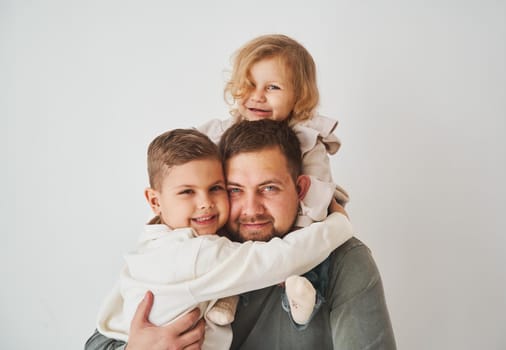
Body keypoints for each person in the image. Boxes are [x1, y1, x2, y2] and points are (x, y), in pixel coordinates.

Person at [85, 119, 396, 350]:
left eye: (269, 188)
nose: (251, 209)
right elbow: (99, 340)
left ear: (300, 189)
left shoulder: (342, 259)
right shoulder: (191, 247)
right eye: (234, 190)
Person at [198, 34, 349, 327]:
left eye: (273, 87)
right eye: (249, 85)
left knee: (315, 247)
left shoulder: (307, 138)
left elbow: (316, 192)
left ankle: (301, 292)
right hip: (239, 227)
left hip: (301, 217)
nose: (257, 96)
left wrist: (295, 244)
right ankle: (224, 297)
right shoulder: (225, 131)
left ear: (299, 96)